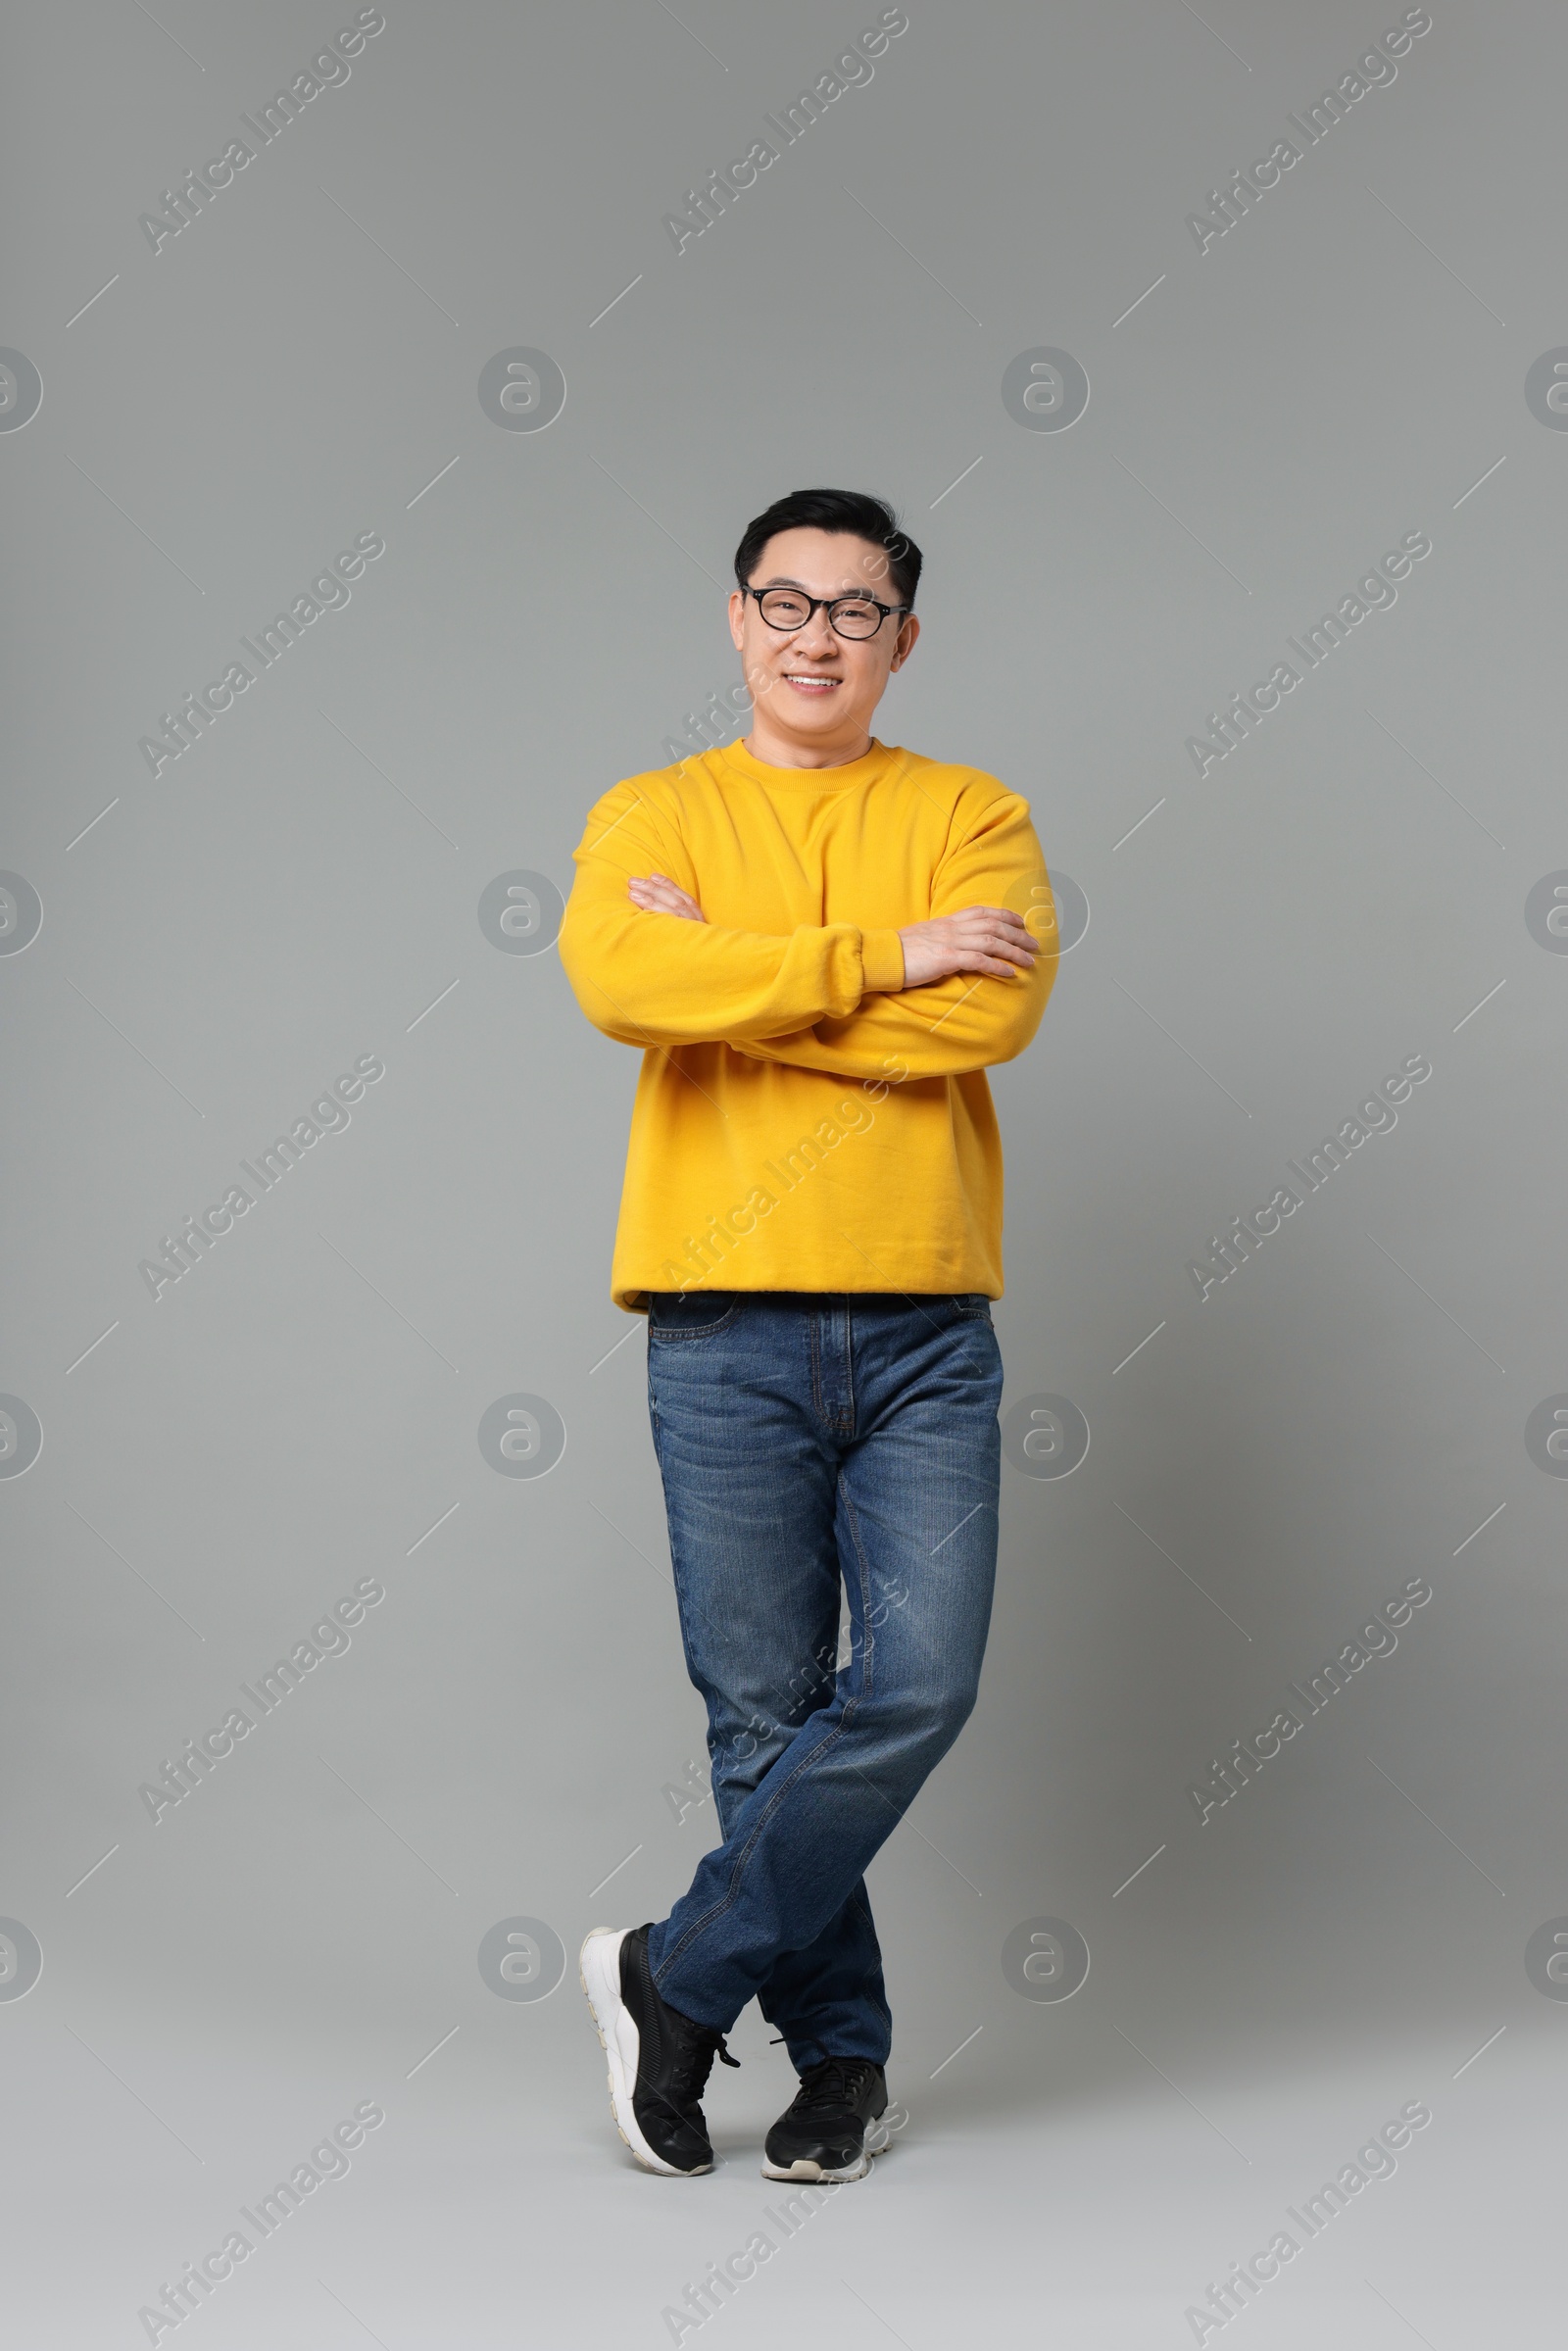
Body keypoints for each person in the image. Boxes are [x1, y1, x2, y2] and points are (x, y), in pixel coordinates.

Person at [560, 486, 1056, 2183]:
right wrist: (881, 965)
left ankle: (672, 1977)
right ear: (737, 620)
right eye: (787, 602)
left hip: (923, 1316)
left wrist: (755, 987)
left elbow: (988, 1013)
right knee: (763, 1715)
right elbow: (625, 982)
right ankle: (842, 2061)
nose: (817, 636)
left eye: (856, 611)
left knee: (916, 1684)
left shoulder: (973, 812)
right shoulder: (656, 808)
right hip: (718, 1320)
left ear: (902, 641)